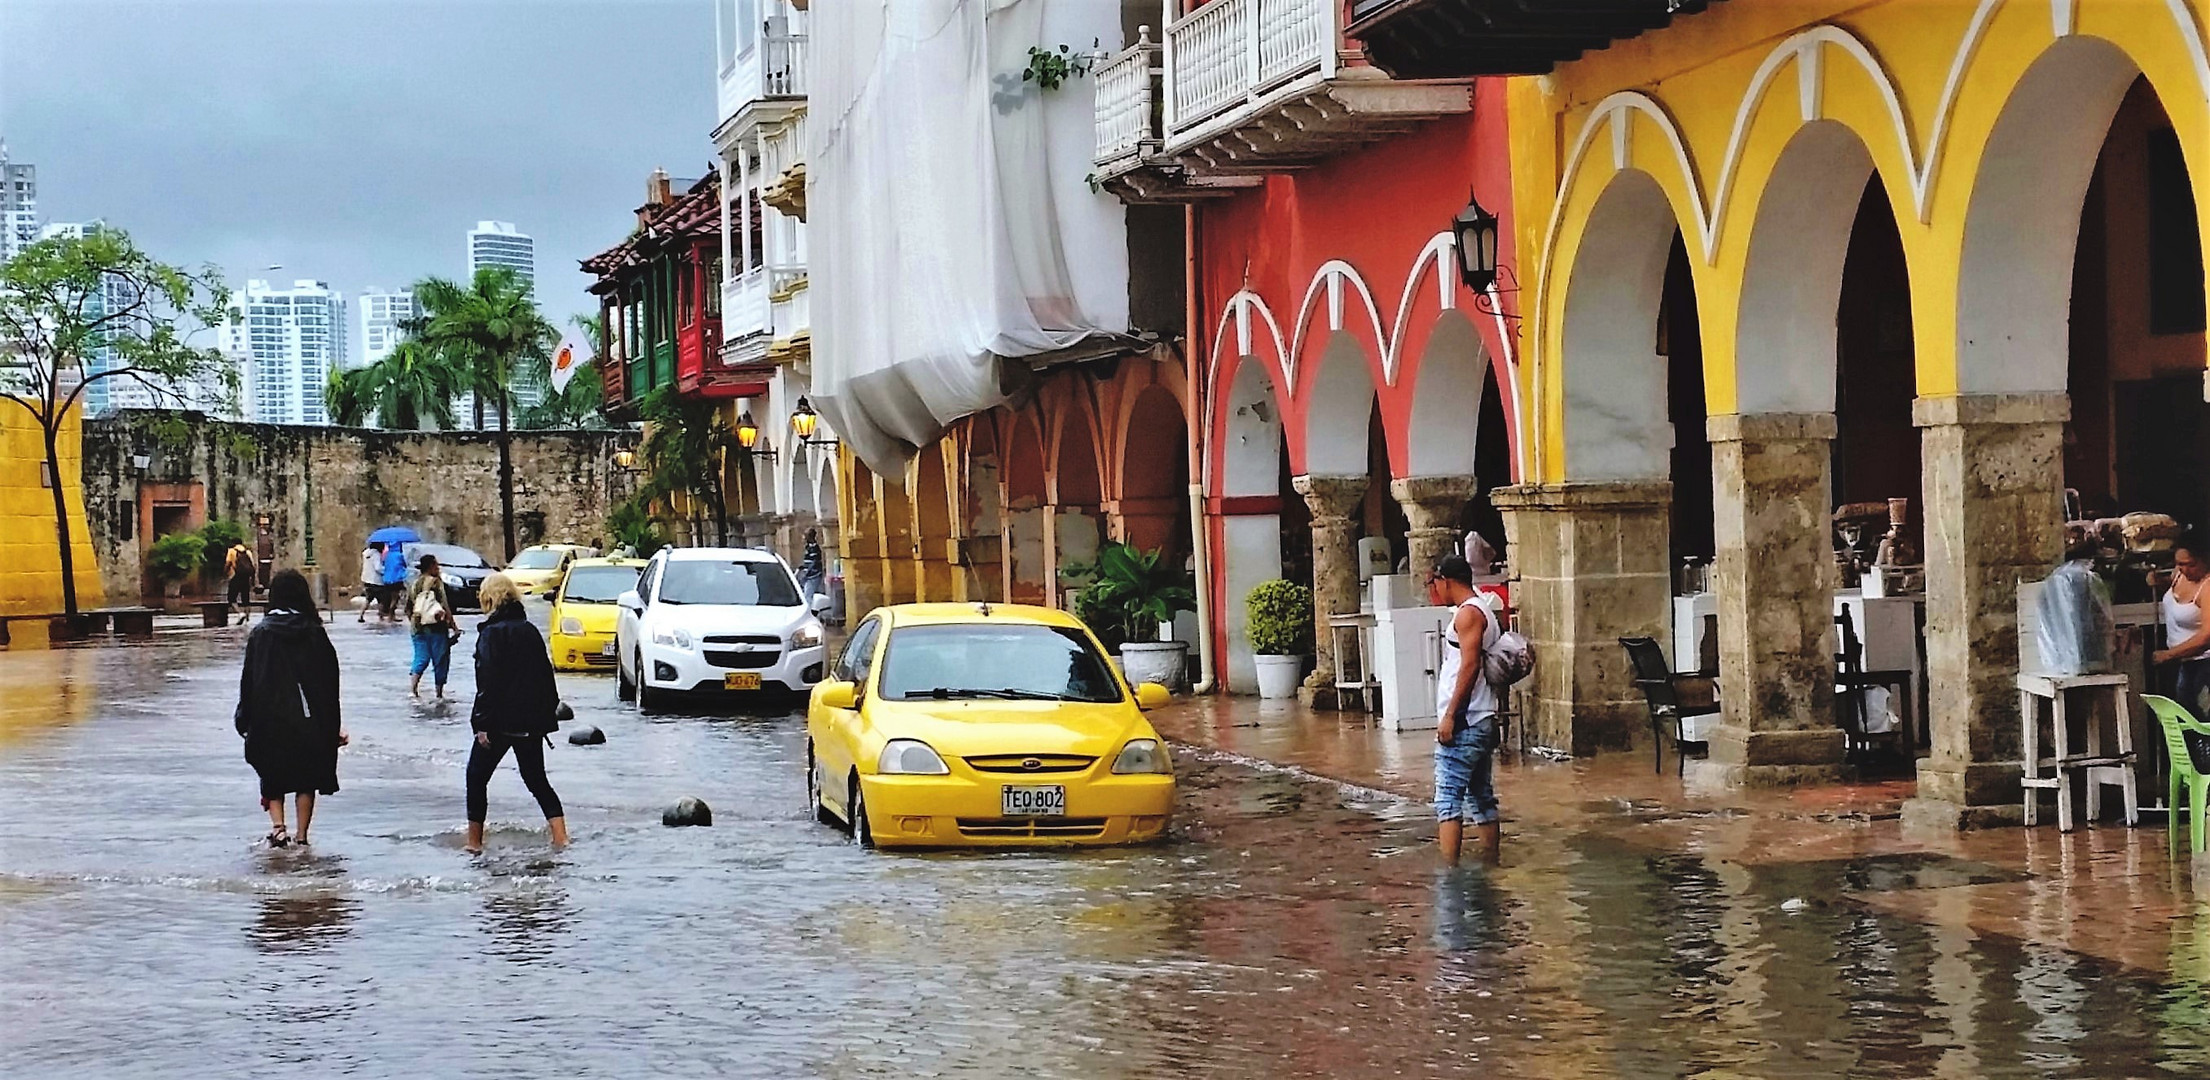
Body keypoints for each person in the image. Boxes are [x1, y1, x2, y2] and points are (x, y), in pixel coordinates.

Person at [234, 569, 345, 848]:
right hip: (308, 719)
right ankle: (302, 835)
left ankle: (278, 827)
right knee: (306, 778)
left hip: (268, 717)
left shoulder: (262, 634)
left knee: (272, 774)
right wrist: (331, 724)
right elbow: (329, 682)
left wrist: (243, 718)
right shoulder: (314, 633)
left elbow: (249, 680)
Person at [465, 572, 568, 854]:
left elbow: (487, 681)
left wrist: (481, 724)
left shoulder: (490, 634)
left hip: (499, 722)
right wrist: (546, 715)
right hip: (530, 722)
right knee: (536, 780)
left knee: (476, 777)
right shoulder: (529, 630)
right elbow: (546, 676)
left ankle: (474, 843)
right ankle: (561, 838)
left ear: (489, 599)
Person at [1428, 554, 1502, 866]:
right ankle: (1490, 862)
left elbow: (1469, 666)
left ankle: (1449, 874)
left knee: (1448, 799)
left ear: (1446, 580)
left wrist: (1450, 716)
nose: (1435, 589)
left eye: (1435, 583)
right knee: (1480, 795)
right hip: (1481, 717)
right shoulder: (1481, 607)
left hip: (1466, 721)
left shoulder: (1468, 614)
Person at [2156, 535, 2210, 717]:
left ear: (2204, 561)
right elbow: (2176, 595)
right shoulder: (2179, 575)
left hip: (2204, 663)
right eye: (2180, 564)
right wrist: (2159, 581)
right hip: (2185, 663)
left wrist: (2168, 654)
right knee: (2184, 716)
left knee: (2201, 719)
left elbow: (2206, 637)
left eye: (2191, 564)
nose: (2185, 569)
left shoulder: (2207, 587)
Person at [408, 554, 458, 699]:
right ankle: (439, 693)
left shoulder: (414, 584)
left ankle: (413, 689)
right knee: (440, 659)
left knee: (420, 657)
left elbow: (408, 608)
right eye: (436, 565)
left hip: (417, 628)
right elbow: (444, 606)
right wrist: (454, 627)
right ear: (431, 566)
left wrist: (415, 622)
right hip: (436, 627)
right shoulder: (436, 583)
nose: (438, 568)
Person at [225, 541, 257, 622]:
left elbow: (228, 564)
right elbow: (252, 566)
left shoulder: (231, 551)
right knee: (246, 598)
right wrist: (253, 581)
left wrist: (225, 574)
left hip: (237, 576)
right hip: (246, 577)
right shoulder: (248, 552)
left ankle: (240, 613)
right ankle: (247, 619)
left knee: (231, 598)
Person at [379, 542, 410, 622]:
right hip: (396, 579)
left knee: (386, 597)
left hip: (386, 579)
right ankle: (391, 615)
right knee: (395, 598)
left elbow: (383, 564)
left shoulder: (387, 555)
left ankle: (381, 614)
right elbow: (404, 565)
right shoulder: (400, 555)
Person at [798, 529, 826, 609]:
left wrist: (806, 573)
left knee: (808, 596)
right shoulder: (808, 547)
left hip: (813, 576)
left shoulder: (814, 548)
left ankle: (809, 611)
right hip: (809, 576)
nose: (803, 538)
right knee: (806, 594)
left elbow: (813, 563)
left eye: (805, 536)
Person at [358, 541, 384, 624]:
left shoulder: (366, 553)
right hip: (376, 580)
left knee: (368, 599)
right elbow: (378, 568)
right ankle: (381, 616)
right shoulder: (376, 554)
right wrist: (385, 570)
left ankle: (361, 615)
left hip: (366, 579)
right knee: (381, 600)